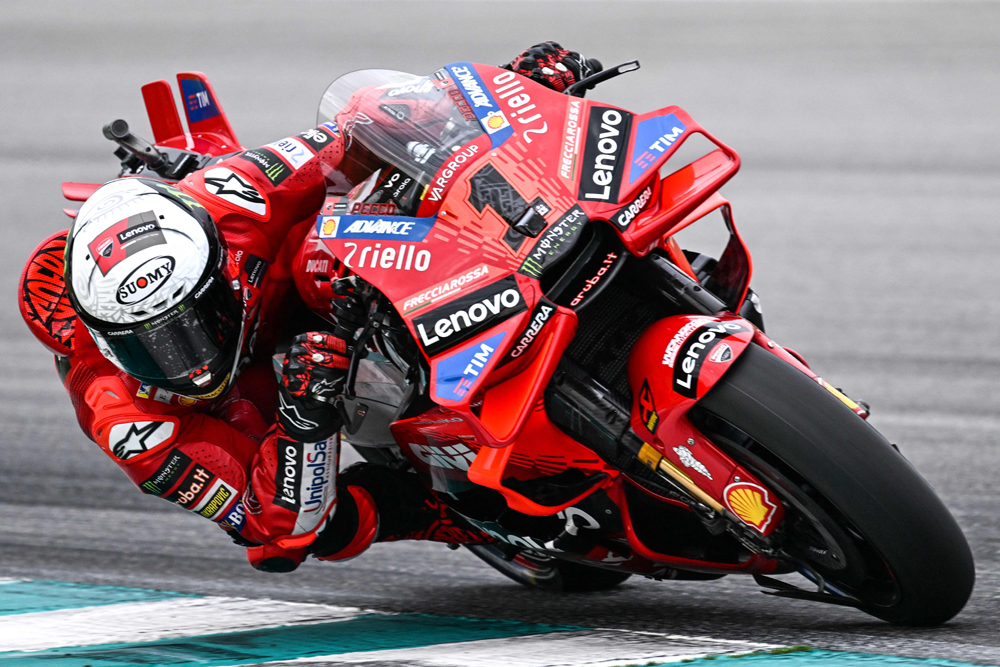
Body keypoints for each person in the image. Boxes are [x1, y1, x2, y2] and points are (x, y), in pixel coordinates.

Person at [18, 44, 599, 572]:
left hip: (306, 290)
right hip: (260, 395)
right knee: (296, 539)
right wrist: (302, 418)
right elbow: (271, 525)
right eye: (145, 345)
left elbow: (361, 124)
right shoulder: (128, 421)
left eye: (189, 328)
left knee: (342, 233)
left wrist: (508, 92)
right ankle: (462, 517)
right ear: (103, 334)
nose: (185, 361)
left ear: (217, 267)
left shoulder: (233, 193)